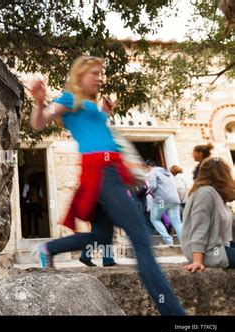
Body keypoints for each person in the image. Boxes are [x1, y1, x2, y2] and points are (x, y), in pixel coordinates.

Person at [29, 55, 186, 315]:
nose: (101, 78)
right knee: (140, 237)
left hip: (108, 171)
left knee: (101, 236)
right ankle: (174, 314)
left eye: (102, 74)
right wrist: (38, 102)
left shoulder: (90, 106)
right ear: (80, 75)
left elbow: (99, 134)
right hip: (101, 172)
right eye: (96, 73)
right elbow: (39, 122)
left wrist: (104, 115)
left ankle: (49, 248)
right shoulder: (70, 99)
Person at [181, 157, 235, 271]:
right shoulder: (205, 193)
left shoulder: (217, 196)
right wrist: (197, 261)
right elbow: (199, 226)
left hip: (219, 248)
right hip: (210, 252)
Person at [146, 160, 182, 244]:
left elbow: (153, 186)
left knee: (154, 219)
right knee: (176, 222)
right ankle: (183, 242)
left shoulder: (153, 172)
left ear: (148, 166)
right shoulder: (167, 173)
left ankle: (168, 240)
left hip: (162, 200)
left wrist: (149, 191)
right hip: (175, 199)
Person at [22, 174, 43, 238]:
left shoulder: (26, 185)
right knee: (36, 220)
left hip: (29, 204)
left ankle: (29, 234)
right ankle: (36, 235)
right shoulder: (38, 185)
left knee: (29, 220)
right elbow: (41, 196)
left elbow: (24, 195)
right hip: (36, 204)